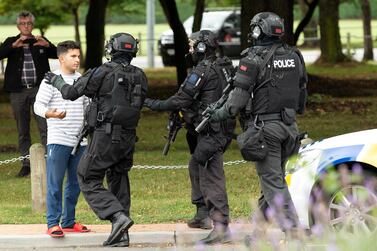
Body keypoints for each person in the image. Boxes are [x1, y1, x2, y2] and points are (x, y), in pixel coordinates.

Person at [44, 33, 148, 247]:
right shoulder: (140, 75)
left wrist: (56, 80)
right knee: (119, 179)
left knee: (87, 176)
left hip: (106, 136)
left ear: (111, 49)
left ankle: (117, 216)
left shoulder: (103, 71)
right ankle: (122, 235)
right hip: (128, 138)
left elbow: (72, 92)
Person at [209, 12, 308, 235]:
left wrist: (216, 114)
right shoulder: (295, 55)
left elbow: (235, 103)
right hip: (290, 128)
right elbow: (302, 91)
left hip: (266, 131)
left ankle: (294, 233)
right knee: (273, 181)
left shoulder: (251, 59)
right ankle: (256, 237)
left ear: (257, 31)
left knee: (273, 184)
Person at [144, 30, 236, 245]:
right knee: (196, 165)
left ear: (203, 47)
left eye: (193, 45)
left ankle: (221, 227)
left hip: (212, 131)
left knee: (211, 176)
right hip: (222, 127)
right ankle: (202, 213)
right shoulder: (225, 65)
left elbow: (180, 99)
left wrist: (151, 104)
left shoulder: (203, 70)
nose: (190, 49)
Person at [34, 40, 90, 238]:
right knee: (55, 183)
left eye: (78, 56)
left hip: (80, 142)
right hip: (58, 140)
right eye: (73, 56)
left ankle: (68, 221)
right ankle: (52, 223)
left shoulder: (81, 79)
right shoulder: (51, 79)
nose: (77, 59)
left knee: (75, 184)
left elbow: (87, 107)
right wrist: (50, 113)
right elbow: (37, 105)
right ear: (61, 58)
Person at [0, 11, 57, 177]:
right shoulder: (12, 41)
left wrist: (47, 45)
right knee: (22, 130)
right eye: (23, 24)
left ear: (32, 25)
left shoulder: (39, 41)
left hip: (41, 90)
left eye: (29, 23)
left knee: (45, 126)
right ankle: (26, 164)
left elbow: (58, 54)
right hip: (18, 92)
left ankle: (50, 161)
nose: (26, 26)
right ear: (18, 26)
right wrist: (12, 47)